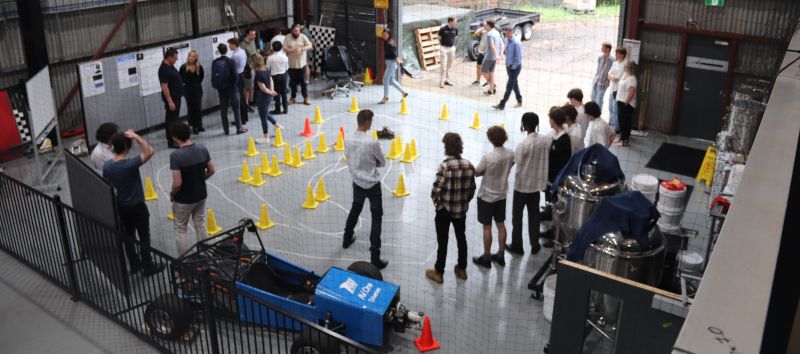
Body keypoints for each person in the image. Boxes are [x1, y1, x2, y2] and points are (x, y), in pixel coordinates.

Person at [102, 130, 163, 276]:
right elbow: (150, 150)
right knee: (144, 237)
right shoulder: (130, 164)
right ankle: (148, 266)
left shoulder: (107, 166)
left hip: (122, 207)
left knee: (128, 237)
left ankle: (135, 265)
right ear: (126, 147)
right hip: (137, 207)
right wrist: (136, 136)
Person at [426, 133, 476, 284]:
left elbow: (436, 189)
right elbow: (472, 189)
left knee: (443, 240)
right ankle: (462, 269)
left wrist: (438, 205)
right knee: (461, 238)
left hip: (445, 211)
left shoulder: (445, 166)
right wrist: (464, 202)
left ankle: (439, 272)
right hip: (460, 210)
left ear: (446, 148)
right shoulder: (469, 165)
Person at [343, 110, 388, 269]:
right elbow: (382, 162)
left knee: (355, 208)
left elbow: (348, 157)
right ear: (368, 122)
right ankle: (375, 257)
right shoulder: (372, 142)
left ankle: (347, 238)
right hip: (372, 184)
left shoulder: (347, 137)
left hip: (357, 181)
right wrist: (372, 162)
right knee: (376, 217)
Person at [506, 112, 550, 256]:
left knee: (517, 217)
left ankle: (517, 245)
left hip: (522, 186)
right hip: (535, 187)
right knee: (534, 216)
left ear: (524, 125)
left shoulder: (524, 144)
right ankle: (535, 243)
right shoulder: (544, 140)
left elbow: (514, 161)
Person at [169, 122, 215, 255]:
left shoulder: (176, 156)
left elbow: (177, 183)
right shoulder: (202, 148)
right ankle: (205, 254)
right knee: (200, 223)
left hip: (184, 199)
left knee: (180, 228)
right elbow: (212, 170)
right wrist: (200, 179)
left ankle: (185, 261)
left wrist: (172, 194)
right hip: (201, 195)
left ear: (176, 137)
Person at [472, 126, 514, 269]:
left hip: (486, 197)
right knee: (501, 225)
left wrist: (485, 172)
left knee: (487, 227)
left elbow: (477, 172)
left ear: (491, 140)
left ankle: (486, 257)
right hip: (501, 196)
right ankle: (501, 255)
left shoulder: (488, 157)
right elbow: (512, 164)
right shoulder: (510, 154)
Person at [211, 44, 246, 135]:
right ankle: (239, 128)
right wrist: (233, 85)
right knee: (236, 109)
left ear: (219, 51)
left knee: (223, 110)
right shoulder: (231, 61)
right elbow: (235, 76)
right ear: (227, 50)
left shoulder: (215, 62)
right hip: (232, 89)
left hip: (221, 90)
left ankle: (226, 130)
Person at [252, 53, 282, 144]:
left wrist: (270, 92)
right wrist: (272, 91)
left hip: (262, 96)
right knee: (264, 112)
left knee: (263, 116)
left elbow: (262, 87)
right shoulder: (266, 69)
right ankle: (277, 125)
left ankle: (266, 137)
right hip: (268, 95)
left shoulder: (258, 74)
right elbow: (271, 80)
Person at [158, 47, 184, 149]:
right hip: (172, 99)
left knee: (175, 119)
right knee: (171, 120)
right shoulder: (163, 69)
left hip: (176, 97)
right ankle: (171, 141)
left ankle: (175, 138)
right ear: (169, 57)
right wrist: (170, 101)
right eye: (175, 58)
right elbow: (164, 86)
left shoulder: (170, 65)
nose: (176, 60)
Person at [492, 26, 523, 110]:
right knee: (514, 84)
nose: (504, 33)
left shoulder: (516, 43)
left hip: (515, 68)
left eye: (505, 32)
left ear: (510, 32)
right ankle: (520, 101)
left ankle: (502, 104)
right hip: (508, 66)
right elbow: (506, 52)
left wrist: (513, 68)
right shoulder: (507, 40)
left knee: (509, 85)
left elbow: (519, 59)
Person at [283, 24, 313, 105]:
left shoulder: (303, 36)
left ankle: (306, 97)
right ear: (292, 31)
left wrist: (302, 48)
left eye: (298, 31)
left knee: (303, 82)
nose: (297, 32)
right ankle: (293, 98)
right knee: (292, 82)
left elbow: (310, 45)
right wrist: (291, 50)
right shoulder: (287, 38)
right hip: (291, 64)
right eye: (295, 31)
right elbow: (284, 49)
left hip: (301, 64)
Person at [378, 29, 408, 104]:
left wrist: (397, 59)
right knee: (391, 81)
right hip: (390, 63)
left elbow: (393, 53)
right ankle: (404, 92)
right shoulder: (389, 41)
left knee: (385, 79)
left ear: (389, 34)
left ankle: (385, 97)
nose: (384, 36)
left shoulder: (389, 43)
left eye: (386, 35)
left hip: (391, 64)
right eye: (383, 35)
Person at [180, 50, 204, 135]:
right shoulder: (183, 67)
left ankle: (199, 125)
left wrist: (196, 85)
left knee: (198, 108)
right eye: (190, 56)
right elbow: (181, 79)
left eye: (193, 56)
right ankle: (193, 126)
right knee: (191, 109)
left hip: (197, 90)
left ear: (196, 58)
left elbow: (201, 78)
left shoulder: (199, 67)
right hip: (188, 91)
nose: (191, 58)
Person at [615, 61, 638, 147]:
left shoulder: (632, 79)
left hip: (626, 104)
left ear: (629, 68)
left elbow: (631, 92)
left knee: (625, 122)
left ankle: (625, 141)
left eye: (626, 66)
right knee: (621, 122)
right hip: (621, 102)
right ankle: (621, 138)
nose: (624, 68)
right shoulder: (625, 75)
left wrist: (625, 102)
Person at [228, 38, 249, 126]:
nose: (229, 46)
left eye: (230, 44)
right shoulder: (242, 51)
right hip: (242, 75)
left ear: (234, 44)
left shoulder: (235, 55)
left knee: (238, 99)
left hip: (237, 77)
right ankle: (245, 117)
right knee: (242, 98)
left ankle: (241, 120)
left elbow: (231, 67)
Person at [607, 47, 627, 133]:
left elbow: (620, 78)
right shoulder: (615, 63)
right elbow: (608, 75)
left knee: (616, 109)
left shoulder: (625, 65)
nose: (616, 55)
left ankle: (616, 127)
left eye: (618, 54)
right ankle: (611, 124)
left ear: (622, 55)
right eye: (616, 53)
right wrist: (612, 78)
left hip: (618, 90)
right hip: (612, 88)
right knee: (610, 107)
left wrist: (614, 78)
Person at [267, 41, 290, 115]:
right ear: (281, 47)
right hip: (283, 75)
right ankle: (285, 109)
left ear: (273, 48)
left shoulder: (270, 58)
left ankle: (278, 109)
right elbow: (287, 68)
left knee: (276, 93)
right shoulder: (285, 57)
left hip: (274, 77)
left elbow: (267, 68)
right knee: (284, 93)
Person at [481, 21, 503, 96]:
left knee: (483, 71)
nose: (484, 26)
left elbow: (492, 45)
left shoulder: (489, 34)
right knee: (492, 73)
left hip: (489, 57)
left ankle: (493, 84)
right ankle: (491, 90)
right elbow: (502, 44)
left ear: (489, 25)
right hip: (494, 58)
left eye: (485, 25)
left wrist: (497, 55)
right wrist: (500, 54)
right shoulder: (497, 32)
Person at [591, 42, 613, 110]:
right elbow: (598, 70)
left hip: (603, 84)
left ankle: (597, 116)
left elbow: (611, 73)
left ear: (608, 49)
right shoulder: (600, 58)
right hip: (596, 82)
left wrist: (606, 82)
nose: (601, 48)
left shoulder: (612, 60)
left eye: (603, 47)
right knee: (593, 98)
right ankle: (592, 115)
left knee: (599, 101)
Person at [241, 28, 259, 111]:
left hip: (254, 66)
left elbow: (254, 51)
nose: (254, 36)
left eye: (255, 34)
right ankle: (246, 103)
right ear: (247, 34)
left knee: (252, 86)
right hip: (247, 68)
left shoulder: (253, 41)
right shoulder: (242, 45)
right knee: (247, 87)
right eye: (252, 34)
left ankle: (251, 101)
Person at [438, 16, 458, 88]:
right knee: (443, 65)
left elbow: (455, 37)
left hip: (451, 48)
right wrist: (443, 45)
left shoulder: (455, 29)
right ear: (450, 21)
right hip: (444, 48)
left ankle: (447, 80)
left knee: (449, 64)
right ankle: (442, 82)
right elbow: (439, 38)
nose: (456, 22)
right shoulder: (443, 29)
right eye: (455, 21)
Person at [471, 20, 488, 86]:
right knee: (478, 67)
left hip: (487, 53)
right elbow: (475, 33)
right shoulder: (483, 31)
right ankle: (478, 81)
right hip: (481, 52)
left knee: (487, 69)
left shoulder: (491, 32)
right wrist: (483, 27)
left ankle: (489, 81)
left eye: (486, 25)